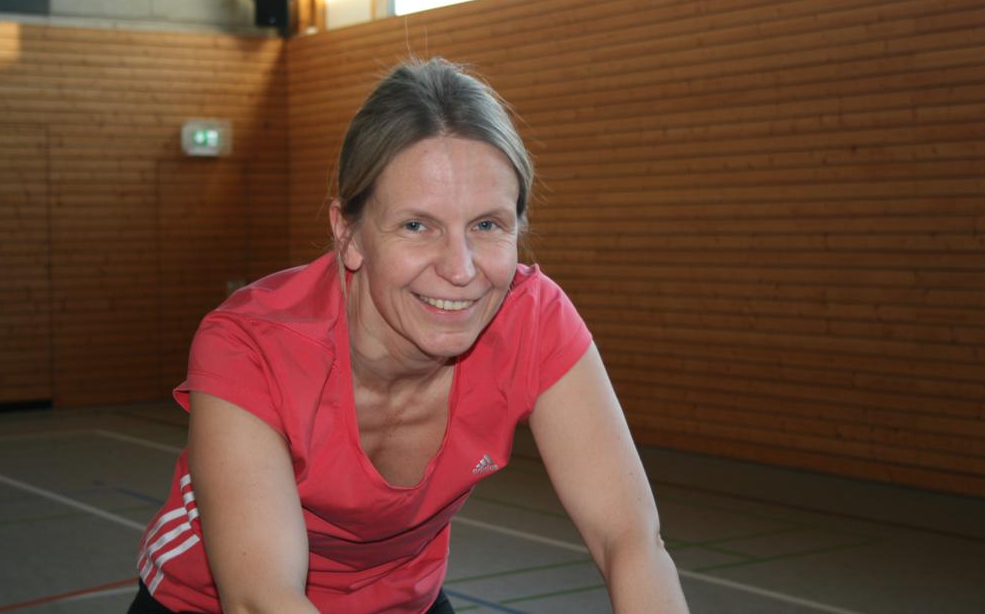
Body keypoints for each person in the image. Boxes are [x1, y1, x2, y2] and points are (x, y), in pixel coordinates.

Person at [129, 58, 689, 613]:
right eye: (417, 225)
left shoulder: (534, 320)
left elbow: (630, 541)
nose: (460, 269)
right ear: (349, 235)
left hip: (402, 601)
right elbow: (262, 597)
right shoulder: (251, 344)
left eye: (487, 225)